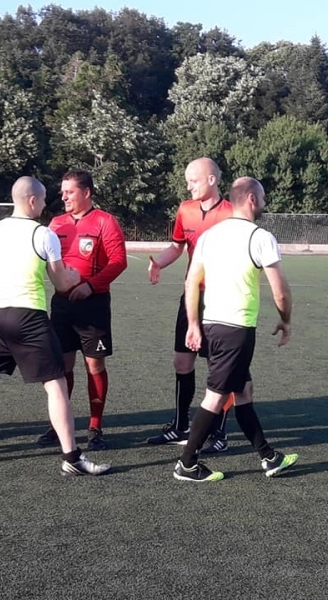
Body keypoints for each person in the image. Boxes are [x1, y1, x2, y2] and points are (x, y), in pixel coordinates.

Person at [0, 176, 111, 476]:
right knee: (56, 386)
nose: (44, 205)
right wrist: (72, 276)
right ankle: (72, 458)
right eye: (42, 200)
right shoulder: (43, 234)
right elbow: (61, 283)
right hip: (29, 319)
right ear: (32, 200)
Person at [174, 176, 298, 482]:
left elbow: (191, 282)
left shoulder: (209, 236)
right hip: (237, 329)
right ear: (252, 199)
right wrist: (285, 319)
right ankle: (187, 464)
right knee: (215, 397)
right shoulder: (259, 237)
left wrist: (193, 324)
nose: (265, 202)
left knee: (243, 390)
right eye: (263, 197)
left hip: (213, 324)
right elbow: (280, 291)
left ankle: (268, 456)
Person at [145, 157, 234, 453]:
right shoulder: (185, 209)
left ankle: (218, 432)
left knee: (217, 367)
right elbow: (177, 246)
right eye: (187, 181)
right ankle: (180, 425)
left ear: (212, 179)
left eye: (193, 181)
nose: (188, 186)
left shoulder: (231, 213)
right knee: (182, 361)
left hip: (221, 299)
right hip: (192, 295)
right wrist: (159, 262)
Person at [34, 170, 127, 451]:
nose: (63, 197)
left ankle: (95, 426)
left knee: (94, 365)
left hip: (93, 305)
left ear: (86, 192)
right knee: (61, 366)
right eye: (62, 192)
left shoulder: (105, 221)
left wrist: (91, 286)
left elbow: (118, 261)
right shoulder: (56, 223)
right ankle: (59, 424)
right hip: (62, 306)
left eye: (69, 192)